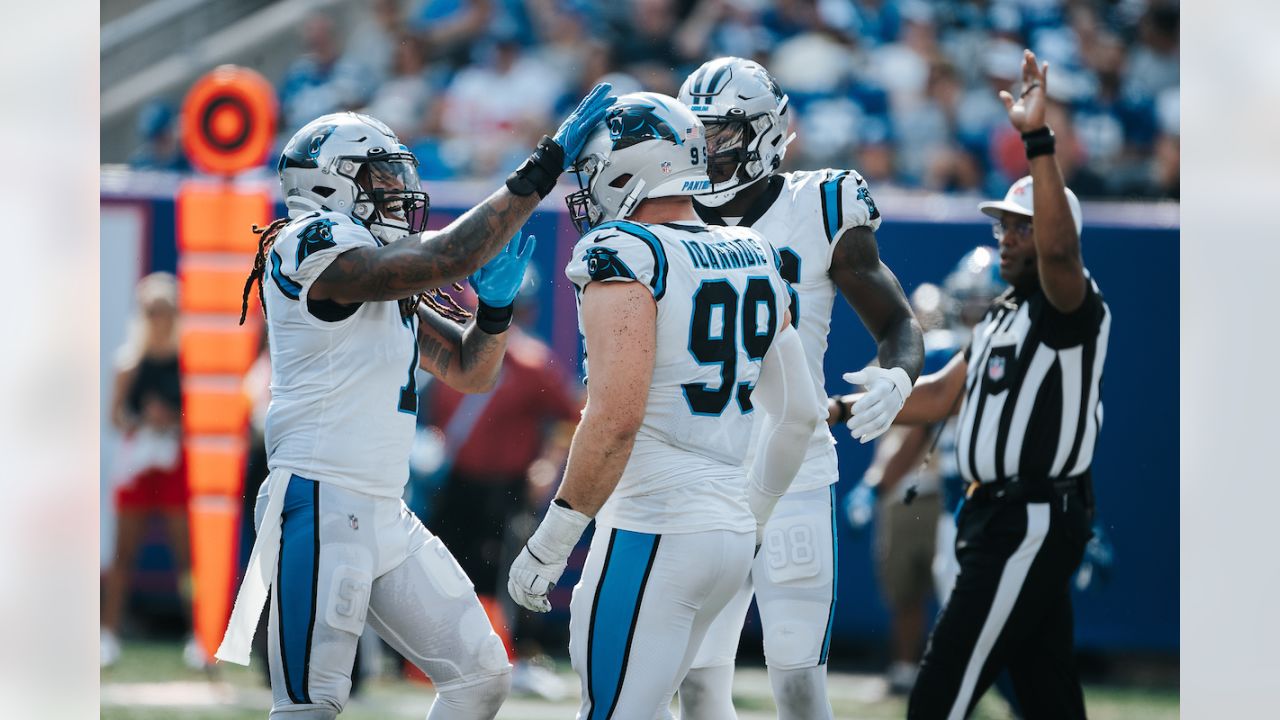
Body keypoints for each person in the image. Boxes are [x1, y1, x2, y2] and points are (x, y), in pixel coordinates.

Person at [215, 83, 616, 720]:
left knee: (481, 678)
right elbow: (447, 254)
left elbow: (469, 370)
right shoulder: (306, 243)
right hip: (320, 497)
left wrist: (495, 311)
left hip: (381, 507)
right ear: (329, 184)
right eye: (377, 177)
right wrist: (540, 171)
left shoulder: (367, 267)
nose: (394, 192)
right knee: (309, 707)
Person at [505, 92, 825, 719]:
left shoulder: (627, 252)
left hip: (653, 528)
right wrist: (748, 517)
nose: (589, 189)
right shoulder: (753, 250)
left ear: (632, 169)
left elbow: (614, 420)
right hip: (726, 533)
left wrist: (551, 542)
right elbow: (800, 417)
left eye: (595, 170)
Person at [673, 57, 924, 720]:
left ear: (764, 133)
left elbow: (898, 321)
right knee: (698, 687)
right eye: (697, 133)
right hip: (702, 474)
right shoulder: (665, 205)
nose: (706, 149)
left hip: (794, 473)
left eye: (721, 133)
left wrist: (897, 375)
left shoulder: (820, 203)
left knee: (798, 684)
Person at [884, 51, 1111, 719]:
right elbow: (940, 395)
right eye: (1002, 226)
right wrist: (838, 408)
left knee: (941, 690)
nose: (1005, 238)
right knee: (1045, 694)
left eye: (1021, 227)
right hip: (994, 513)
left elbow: (1061, 255)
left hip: (1029, 514)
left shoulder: (1068, 306)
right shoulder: (1003, 315)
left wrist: (1036, 139)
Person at [101, 272, 197, 668]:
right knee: (124, 555)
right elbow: (116, 417)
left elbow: (197, 417)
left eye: (167, 310)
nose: (160, 317)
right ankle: (107, 633)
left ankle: (200, 636)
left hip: (175, 465)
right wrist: (144, 420)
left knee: (187, 558)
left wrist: (172, 420)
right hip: (138, 465)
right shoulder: (129, 363)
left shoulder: (188, 362)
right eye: (153, 310)